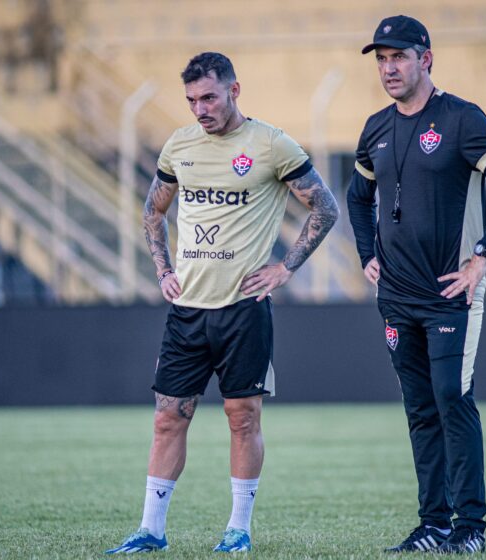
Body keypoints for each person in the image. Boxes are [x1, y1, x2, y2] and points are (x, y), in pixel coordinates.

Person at [105, 52, 339, 555]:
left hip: (243, 309)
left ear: (235, 91)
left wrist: (286, 268)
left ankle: (238, 531)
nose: (200, 109)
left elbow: (325, 205)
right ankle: (151, 531)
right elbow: (153, 211)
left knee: (242, 416)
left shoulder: (271, 145)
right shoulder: (180, 144)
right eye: (191, 100)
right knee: (168, 417)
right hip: (188, 310)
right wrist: (164, 271)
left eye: (209, 97)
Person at [347, 16, 486, 555]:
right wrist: (367, 255)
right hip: (396, 298)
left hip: (451, 292)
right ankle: (433, 524)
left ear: (425, 58)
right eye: (381, 59)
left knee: (452, 397)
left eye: (398, 57)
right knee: (420, 407)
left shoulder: (461, 119)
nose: (389, 69)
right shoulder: (376, 127)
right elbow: (358, 200)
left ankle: (469, 528)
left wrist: (482, 258)